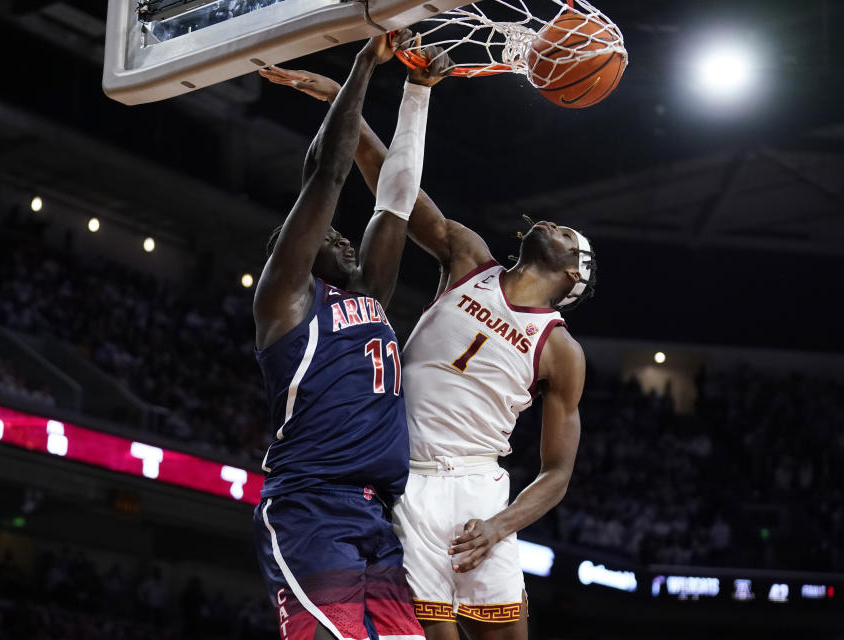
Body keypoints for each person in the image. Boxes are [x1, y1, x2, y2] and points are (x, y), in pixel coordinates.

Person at [261, 64, 594, 640]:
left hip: (479, 485)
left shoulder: (561, 349)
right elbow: (395, 192)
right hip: (406, 478)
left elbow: (557, 473)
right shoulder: (469, 259)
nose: (553, 225)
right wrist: (344, 102)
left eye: (568, 233)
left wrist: (499, 526)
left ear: (574, 274)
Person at [252, 34, 450, 640]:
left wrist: (417, 93)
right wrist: (363, 64)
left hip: (375, 516)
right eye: (326, 237)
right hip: (312, 507)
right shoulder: (285, 300)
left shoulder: (368, 296)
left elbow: (393, 197)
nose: (339, 236)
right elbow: (329, 174)